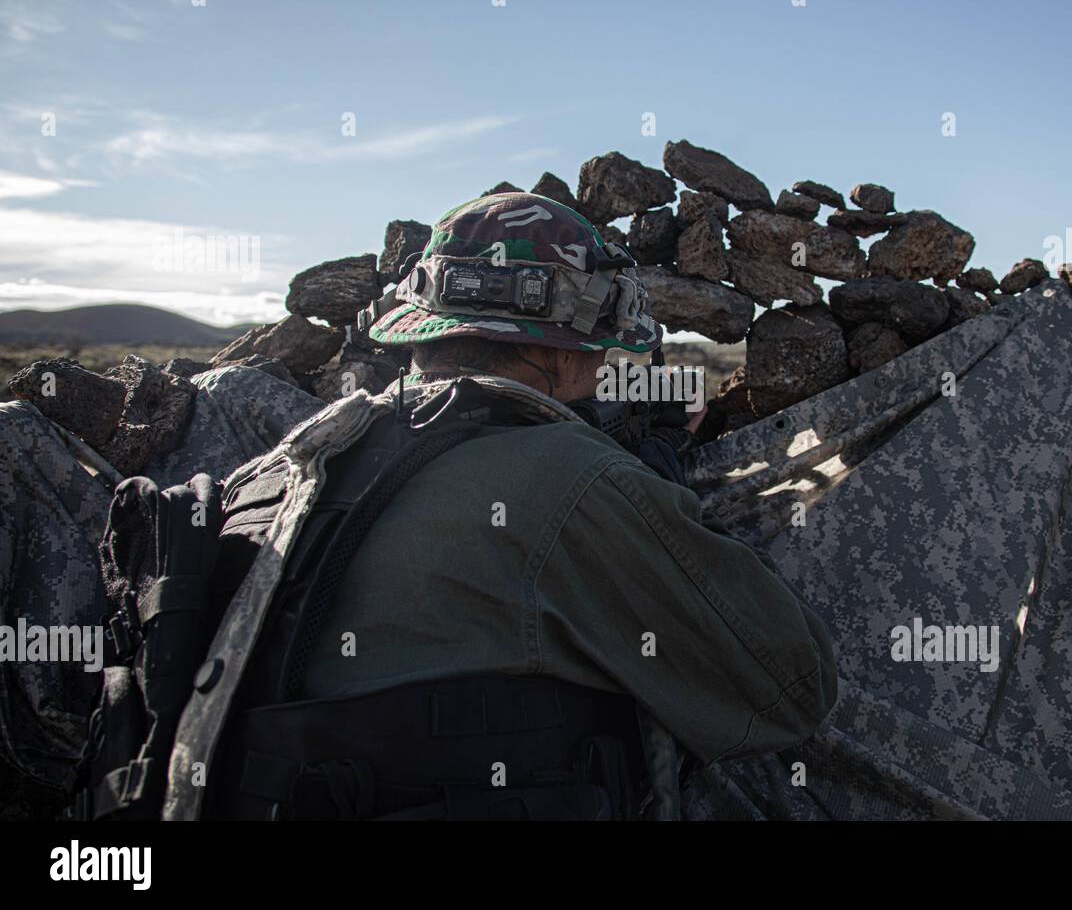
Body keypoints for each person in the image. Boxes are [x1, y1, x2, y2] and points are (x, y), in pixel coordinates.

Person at [200, 191, 839, 820]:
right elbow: (792, 688)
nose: (601, 365)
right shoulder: (572, 477)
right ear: (559, 344)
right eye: (597, 344)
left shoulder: (281, 469)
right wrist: (653, 496)